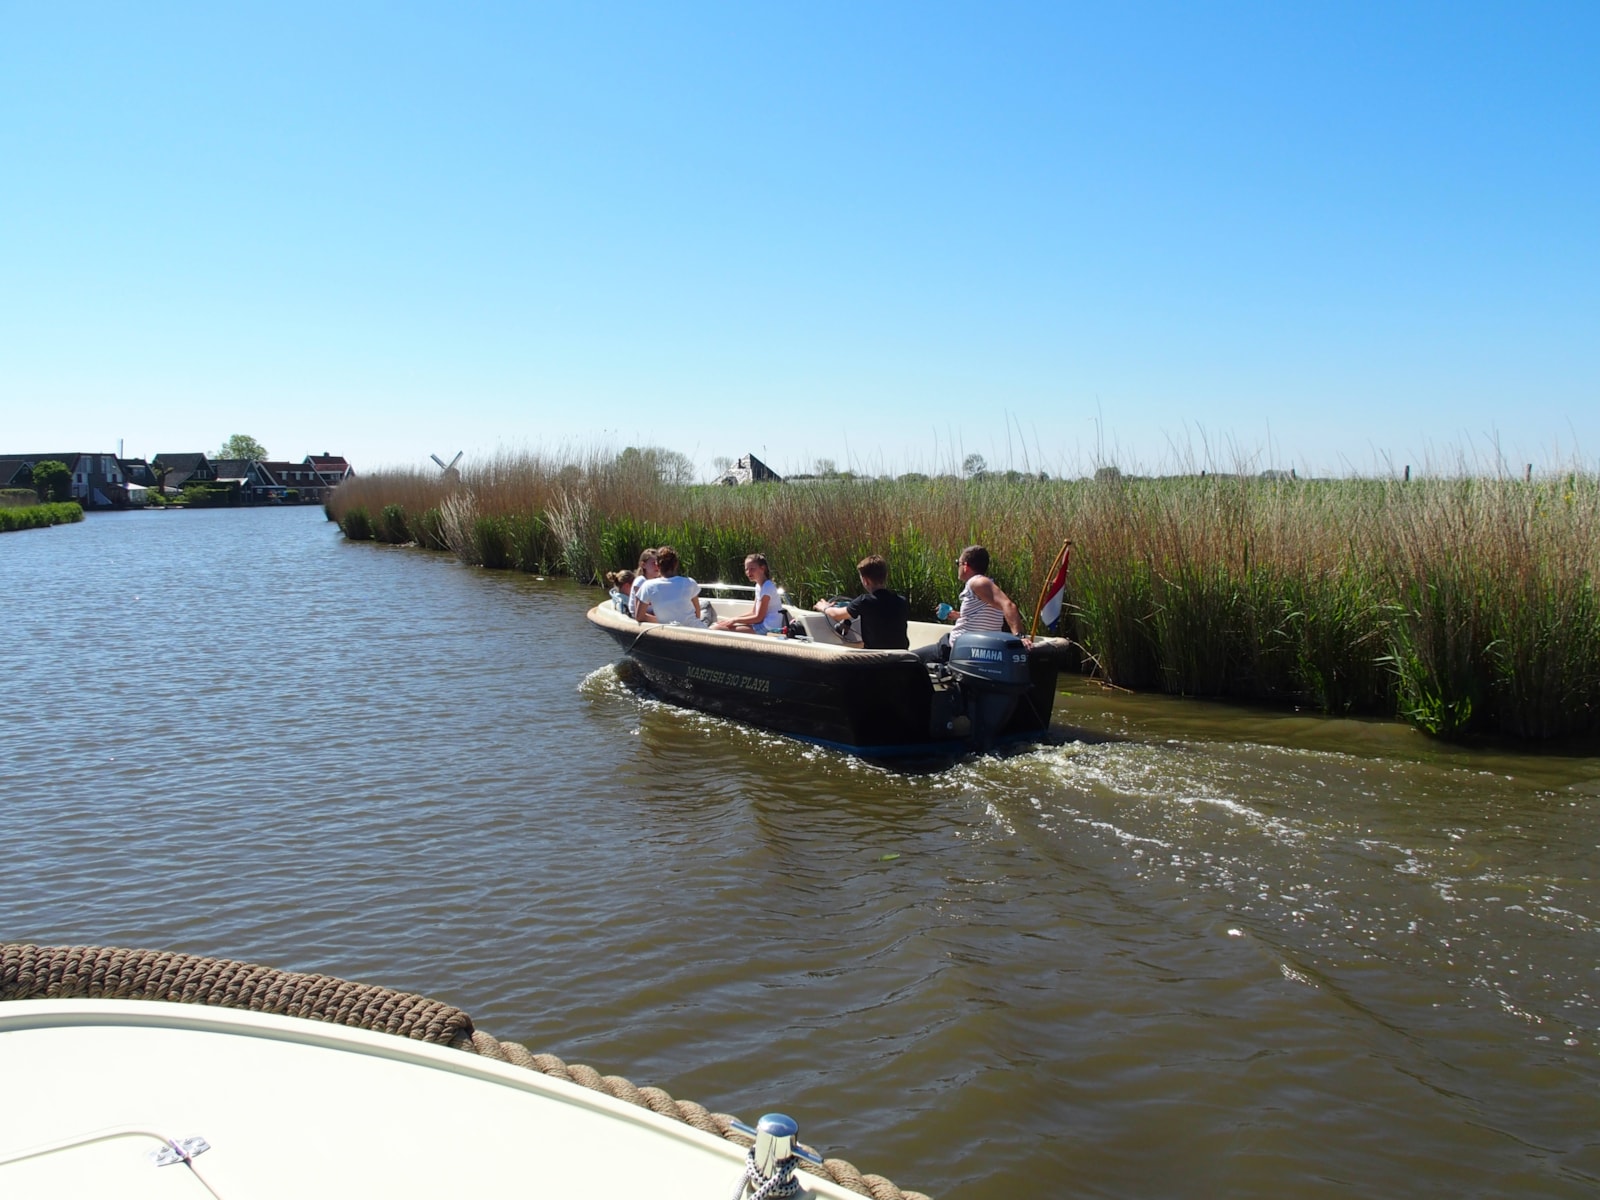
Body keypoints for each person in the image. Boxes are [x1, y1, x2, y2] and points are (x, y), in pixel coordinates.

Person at [915, 544, 1028, 662]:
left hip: (954, 649)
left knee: (908, 659)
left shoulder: (977, 582)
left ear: (965, 566)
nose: (957, 567)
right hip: (972, 649)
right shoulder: (987, 585)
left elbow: (1009, 606)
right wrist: (958, 615)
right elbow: (986, 614)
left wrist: (1020, 638)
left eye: (957, 563)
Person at [814, 555, 910, 650]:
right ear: (886, 576)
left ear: (865, 581)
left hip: (876, 656)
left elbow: (837, 615)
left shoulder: (864, 601)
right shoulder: (902, 601)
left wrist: (825, 607)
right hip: (901, 654)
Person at [714, 553, 786, 634]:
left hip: (769, 627)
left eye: (752, 569)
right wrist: (732, 619)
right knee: (718, 626)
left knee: (716, 628)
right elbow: (754, 612)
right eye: (746, 569)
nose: (748, 572)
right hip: (762, 623)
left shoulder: (767, 587)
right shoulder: (758, 586)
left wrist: (735, 620)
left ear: (762, 568)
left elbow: (759, 617)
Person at [632, 546, 702, 625]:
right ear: (676, 564)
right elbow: (697, 614)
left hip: (667, 630)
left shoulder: (648, 586)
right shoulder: (690, 582)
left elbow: (639, 617)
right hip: (694, 629)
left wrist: (663, 621)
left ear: (657, 565)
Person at [628, 548, 660, 620]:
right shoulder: (640, 581)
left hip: (651, 614)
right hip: (640, 618)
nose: (657, 566)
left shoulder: (656, 581)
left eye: (658, 563)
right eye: (654, 563)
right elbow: (638, 612)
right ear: (643, 565)